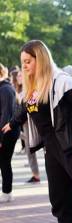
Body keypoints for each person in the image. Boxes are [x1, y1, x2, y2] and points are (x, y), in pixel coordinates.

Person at [2, 40, 72, 223]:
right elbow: (26, 110)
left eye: (28, 61)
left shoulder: (62, 82)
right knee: (60, 203)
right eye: (22, 62)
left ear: (41, 59)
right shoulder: (33, 88)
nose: (24, 66)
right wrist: (12, 124)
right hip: (52, 151)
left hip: (71, 143)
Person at [11, 69, 41, 183]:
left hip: (32, 122)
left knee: (32, 148)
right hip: (24, 123)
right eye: (17, 76)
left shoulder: (30, 89)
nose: (18, 77)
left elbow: (29, 108)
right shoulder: (18, 90)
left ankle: (37, 174)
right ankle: (35, 174)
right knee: (29, 148)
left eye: (20, 75)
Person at [0, 63, 20, 203]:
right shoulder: (4, 88)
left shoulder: (5, 89)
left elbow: (6, 115)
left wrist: (0, 137)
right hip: (6, 131)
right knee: (4, 162)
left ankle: (7, 192)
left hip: (7, 132)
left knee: (4, 162)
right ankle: (7, 192)